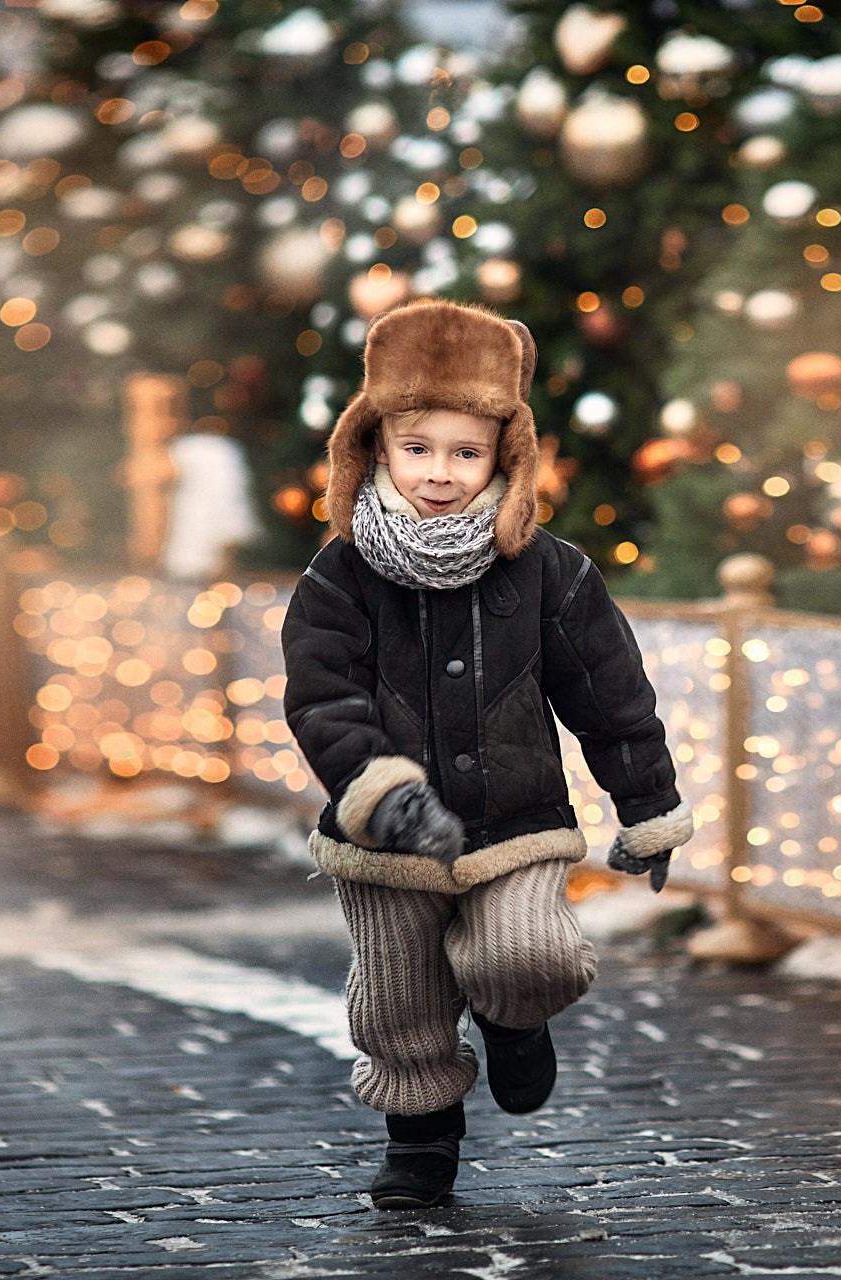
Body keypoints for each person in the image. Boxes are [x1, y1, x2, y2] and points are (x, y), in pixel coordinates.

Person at [280, 298, 693, 1211]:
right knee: (399, 1004)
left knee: (529, 956)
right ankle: (422, 1137)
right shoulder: (340, 575)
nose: (440, 473)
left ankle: (515, 1023)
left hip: (517, 821)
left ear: (506, 457)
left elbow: (610, 697)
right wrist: (380, 789)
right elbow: (322, 696)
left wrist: (648, 806)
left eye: (466, 453)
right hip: (388, 835)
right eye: (417, 449)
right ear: (375, 449)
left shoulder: (550, 570)